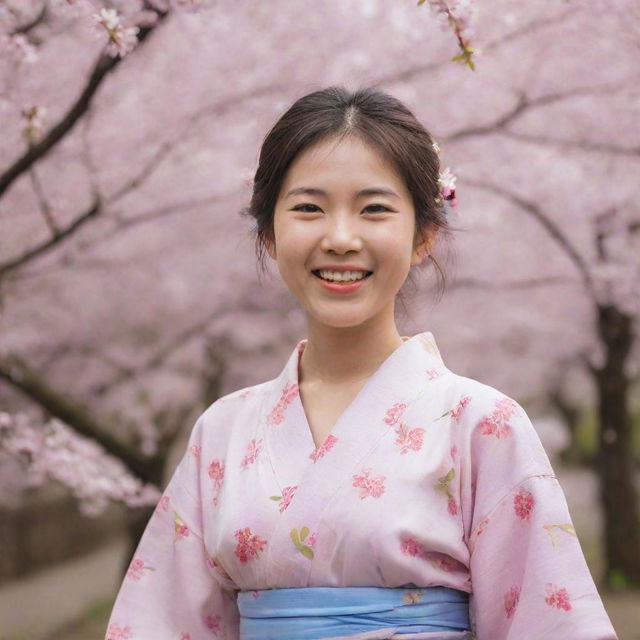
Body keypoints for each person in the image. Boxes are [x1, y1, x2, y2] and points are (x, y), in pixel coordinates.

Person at [104, 86, 618, 640]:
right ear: (269, 234)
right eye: (308, 208)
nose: (341, 238)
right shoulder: (223, 431)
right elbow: (159, 622)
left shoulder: (481, 423)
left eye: (374, 209)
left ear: (424, 235)